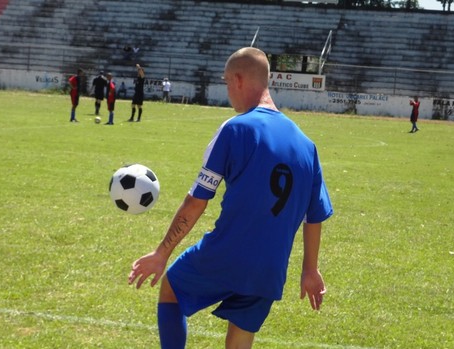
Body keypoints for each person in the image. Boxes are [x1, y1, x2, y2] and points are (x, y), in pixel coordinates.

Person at [128, 47, 333, 349]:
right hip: (270, 271)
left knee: (171, 287)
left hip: (226, 255)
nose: (227, 92)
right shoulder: (307, 145)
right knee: (239, 341)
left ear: (238, 80)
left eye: (225, 83)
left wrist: (161, 253)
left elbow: (197, 200)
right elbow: (314, 216)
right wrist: (310, 269)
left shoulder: (235, 129)